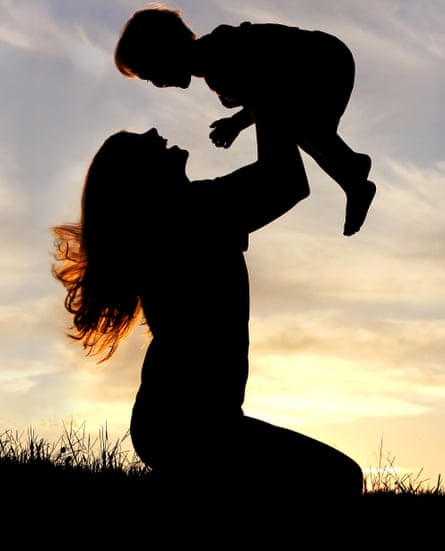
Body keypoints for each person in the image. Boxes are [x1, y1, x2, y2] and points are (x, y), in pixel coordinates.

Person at [52, 110, 362, 520]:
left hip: (177, 423)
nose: (153, 131)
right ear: (139, 180)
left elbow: (283, 179)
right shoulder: (193, 211)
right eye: (139, 141)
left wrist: (265, 98)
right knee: (338, 478)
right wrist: (265, 90)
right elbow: (286, 180)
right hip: (191, 425)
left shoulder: (189, 210)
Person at [114, 5, 376, 237]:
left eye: (151, 74)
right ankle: (352, 173)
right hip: (320, 64)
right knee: (305, 131)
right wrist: (236, 123)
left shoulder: (219, 59)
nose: (157, 84)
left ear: (165, 50)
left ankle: (353, 170)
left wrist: (238, 125)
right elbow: (263, 96)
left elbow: (266, 91)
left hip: (322, 63)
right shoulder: (215, 65)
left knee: (304, 130)